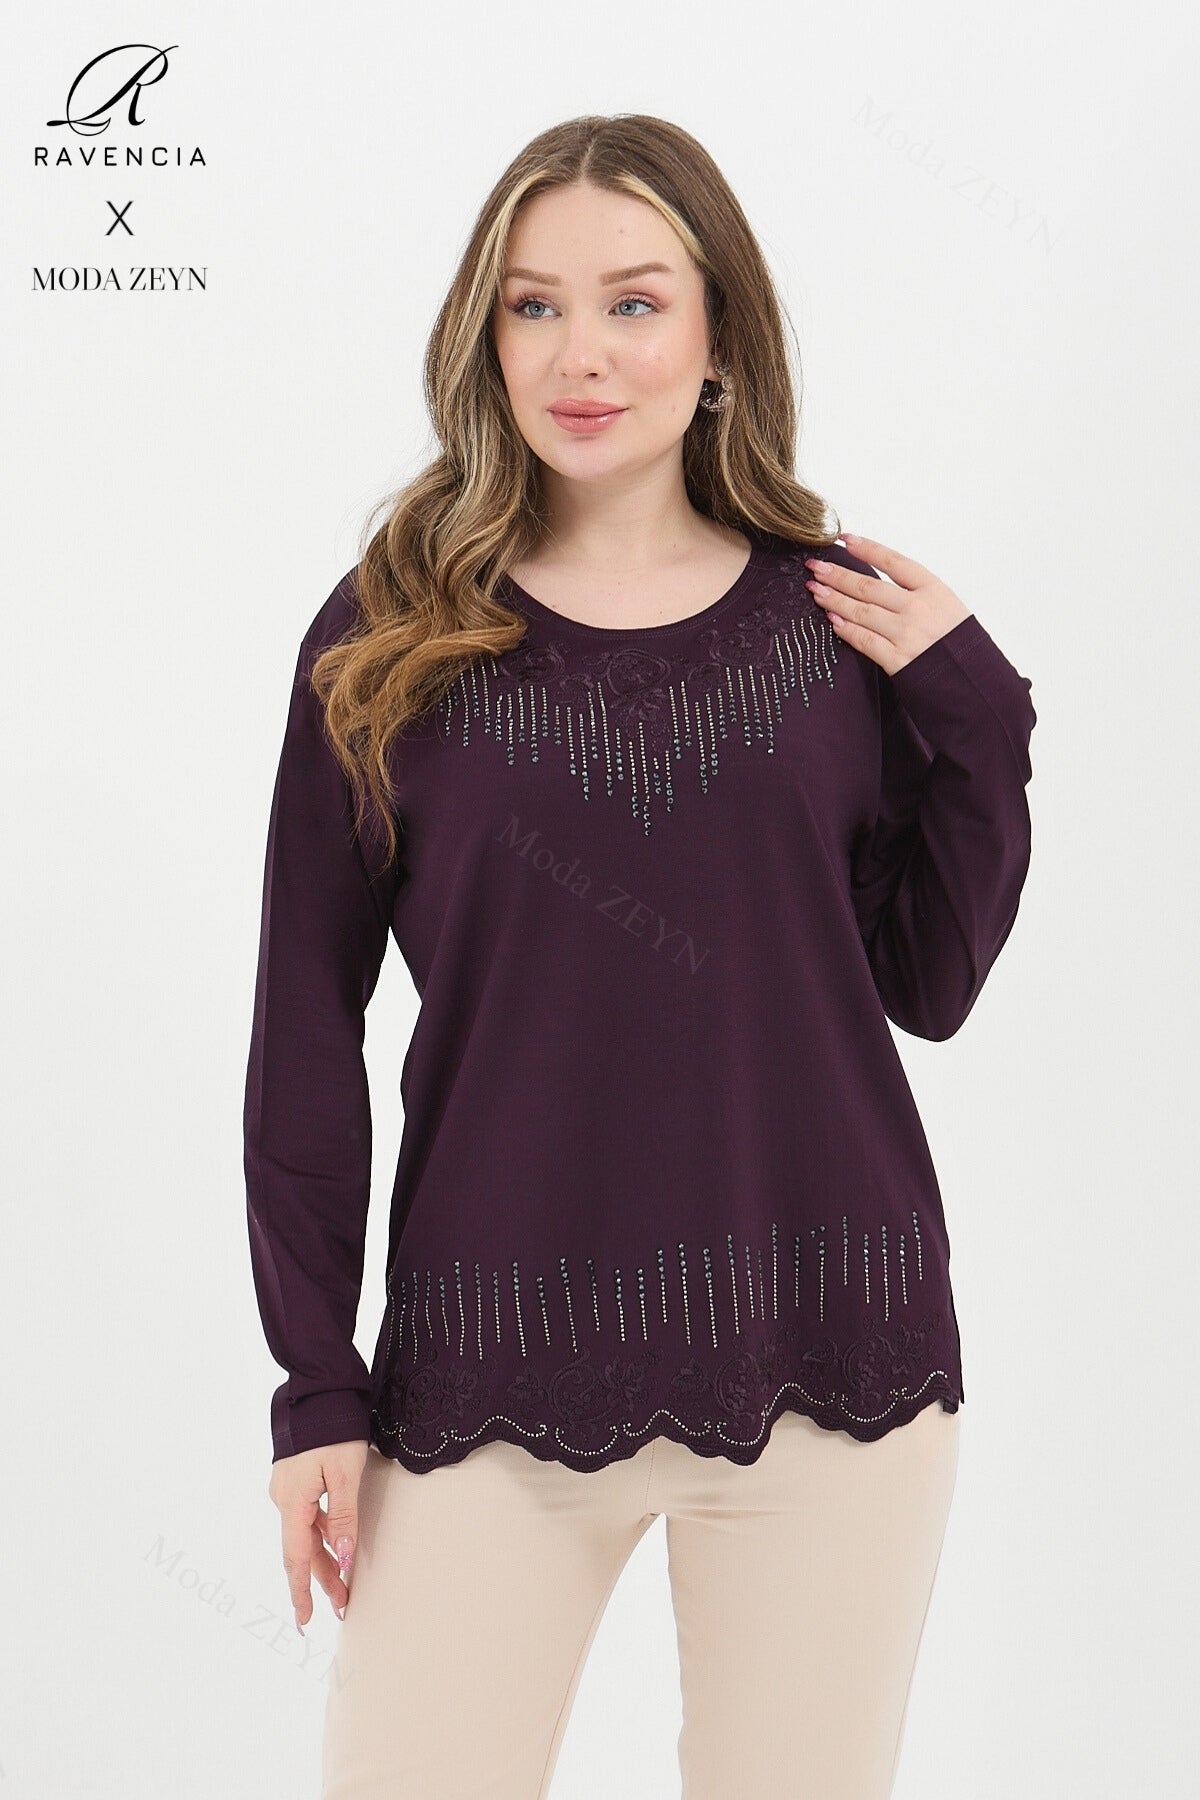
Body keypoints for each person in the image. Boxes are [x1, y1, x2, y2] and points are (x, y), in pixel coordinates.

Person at [243, 113, 1037, 1800]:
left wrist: (977, 712)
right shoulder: (391, 632)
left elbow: (929, 984)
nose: (580, 354)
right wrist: (317, 1385)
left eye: (633, 302)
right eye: (533, 306)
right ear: (485, 338)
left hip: (834, 1357)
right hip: (489, 1362)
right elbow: (304, 1028)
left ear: (719, 335)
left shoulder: (836, 626)